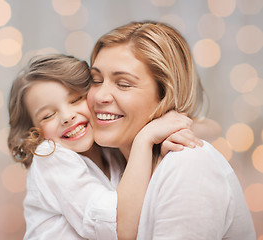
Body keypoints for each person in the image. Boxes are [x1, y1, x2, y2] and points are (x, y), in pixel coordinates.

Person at [87, 20, 256, 239]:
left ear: (165, 94)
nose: (100, 96)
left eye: (124, 84)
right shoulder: (108, 163)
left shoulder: (187, 165)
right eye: (95, 80)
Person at [8, 54, 203, 239]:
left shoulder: (109, 148)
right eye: (48, 116)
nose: (67, 117)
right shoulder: (49, 156)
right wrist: (145, 139)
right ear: (34, 132)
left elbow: (205, 128)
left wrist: (166, 135)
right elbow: (118, 230)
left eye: (76, 99)